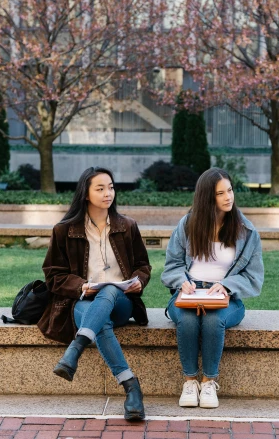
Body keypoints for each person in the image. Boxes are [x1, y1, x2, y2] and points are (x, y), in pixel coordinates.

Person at [39, 167, 151, 420]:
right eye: (100, 188)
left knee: (111, 287)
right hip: (83, 301)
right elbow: (53, 274)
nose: (107, 193)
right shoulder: (64, 230)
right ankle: (131, 387)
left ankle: (76, 348)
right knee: (99, 323)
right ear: (86, 194)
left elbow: (143, 266)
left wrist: (139, 282)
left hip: (121, 302)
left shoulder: (127, 226)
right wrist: (80, 286)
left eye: (110, 187)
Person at [161, 168, 264, 409]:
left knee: (212, 320)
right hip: (188, 295)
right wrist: (181, 281)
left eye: (229, 190)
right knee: (187, 320)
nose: (228, 197)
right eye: (220, 193)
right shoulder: (187, 225)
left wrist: (227, 286)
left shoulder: (246, 232)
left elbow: (253, 276)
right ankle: (189, 381)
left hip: (227, 299)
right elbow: (171, 267)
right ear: (207, 197)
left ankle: (208, 382)